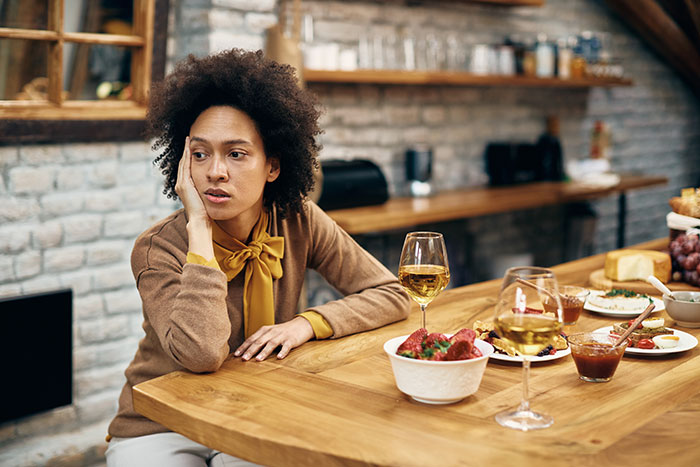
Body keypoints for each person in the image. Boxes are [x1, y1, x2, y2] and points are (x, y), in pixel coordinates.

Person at [105, 48, 410, 466]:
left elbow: (392, 293)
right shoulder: (159, 247)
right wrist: (199, 232)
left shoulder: (299, 220)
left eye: (236, 153)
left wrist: (309, 323)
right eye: (200, 154)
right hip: (162, 424)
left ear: (273, 166)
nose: (215, 171)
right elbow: (201, 354)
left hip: (264, 408)